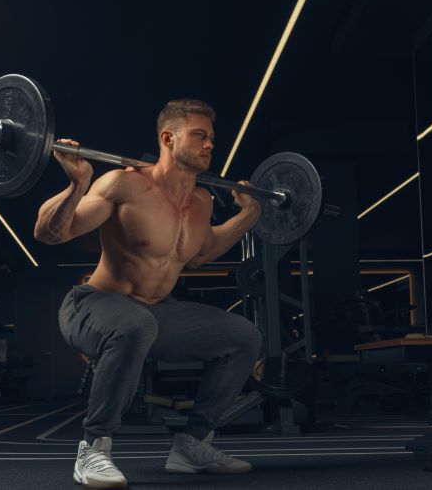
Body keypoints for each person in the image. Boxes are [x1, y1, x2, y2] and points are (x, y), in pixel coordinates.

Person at [34, 99, 262, 489]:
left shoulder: (202, 202)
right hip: (92, 306)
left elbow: (202, 252)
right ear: (168, 138)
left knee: (243, 337)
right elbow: (51, 233)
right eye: (200, 135)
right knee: (134, 324)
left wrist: (247, 215)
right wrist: (77, 184)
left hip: (156, 315)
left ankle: (192, 444)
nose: (210, 145)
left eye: (212, 138)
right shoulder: (124, 184)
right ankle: (93, 448)